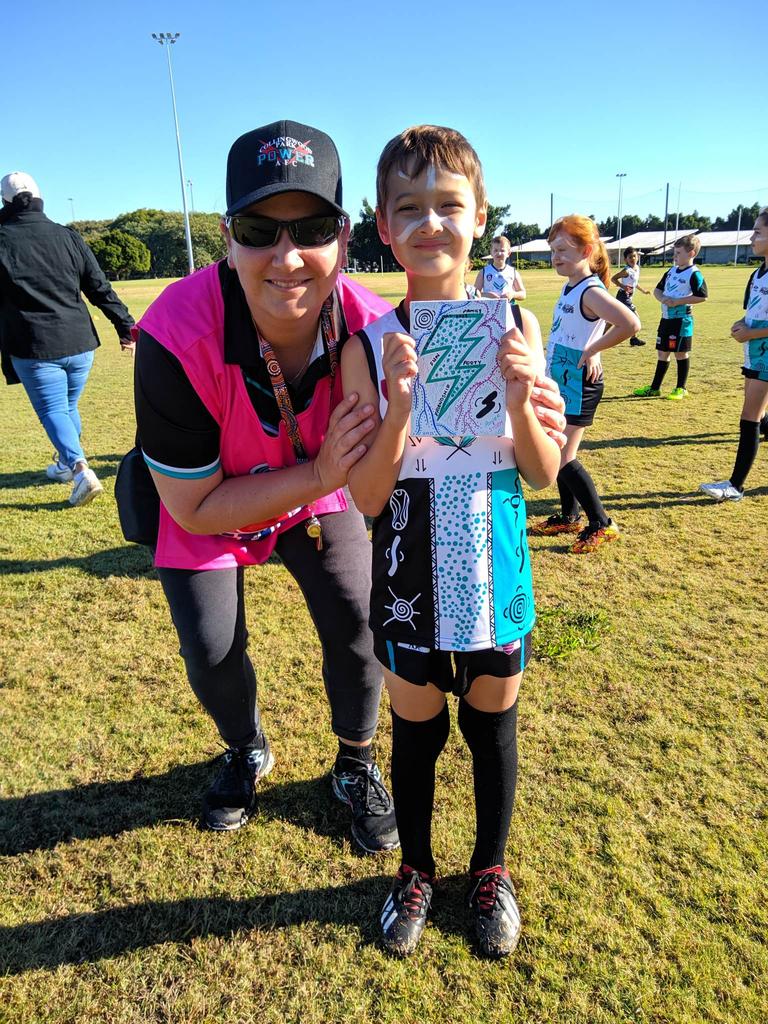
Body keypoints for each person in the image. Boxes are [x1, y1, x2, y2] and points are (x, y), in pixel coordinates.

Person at [133, 119, 570, 846]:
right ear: (226, 235)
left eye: (308, 228)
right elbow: (193, 505)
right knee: (210, 648)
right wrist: (318, 471)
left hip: (325, 483)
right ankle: (245, 747)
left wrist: (535, 403)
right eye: (257, 228)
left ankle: (355, 758)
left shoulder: (381, 327)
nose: (287, 256)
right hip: (219, 497)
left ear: (343, 235)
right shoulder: (174, 334)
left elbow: (514, 458)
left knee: (357, 619)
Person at [341, 125, 561, 959]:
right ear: (384, 226)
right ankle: (418, 872)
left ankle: (491, 871)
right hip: (407, 577)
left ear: (478, 216)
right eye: (410, 209)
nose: (430, 223)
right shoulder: (366, 343)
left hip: (496, 568)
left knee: (492, 730)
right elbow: (365, 494)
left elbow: (540, 472)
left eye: (449, 205)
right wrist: (399, 404)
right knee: (419, 732)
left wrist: (518, 386)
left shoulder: (518, 322)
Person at [0, 171, 135, 506]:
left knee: (54, 410)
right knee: (67, 406)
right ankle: (64, 463)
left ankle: (79, 470)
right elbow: (98, 287)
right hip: (79, 344)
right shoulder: (68, 236)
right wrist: (125, 327)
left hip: (34, 345)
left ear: (4, 202)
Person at [530, 215, 640, 552]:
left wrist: (593, 349)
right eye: (552, 251)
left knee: (563, 456)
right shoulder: (572, 285)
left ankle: (601, 523)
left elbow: (630, 323)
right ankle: (568, 516)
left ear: (586, 250)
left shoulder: (590, 290)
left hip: (579, 384)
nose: (556, 257)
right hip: (563, 379)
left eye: (563, 249)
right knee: (557, 447)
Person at [700, 209, 768, 501]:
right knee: (758, 417)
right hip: (754, 352)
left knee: (750, 418)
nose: (752, 237)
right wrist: (743, 324)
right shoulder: (757, 273)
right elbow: (755, 311)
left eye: (758, 232)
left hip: (764, 353)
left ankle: (735, 486)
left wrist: (752, 333)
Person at [632, 234, 708, 400]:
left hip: (682, 321)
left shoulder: (694, 274)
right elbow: (658, 290)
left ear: (692, 253)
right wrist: (662, 298)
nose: (675, 256)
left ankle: (681, 388)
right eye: (674, 253)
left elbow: (702, 296)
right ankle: (654, 388)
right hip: (665, 319)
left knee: (680, 353)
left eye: (678, 253)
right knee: (662, 352)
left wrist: (678, 301)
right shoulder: (671, 271)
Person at [610, 246, 649, 346]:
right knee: (635, 317)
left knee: (613, 318)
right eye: (630, 257)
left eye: (634, 256)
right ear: (625, 259)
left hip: (627, 296)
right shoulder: (626, 271)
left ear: (638, 257)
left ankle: (600, 335)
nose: (633, 259)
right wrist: (623, 286)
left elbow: (635, 283)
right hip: (623, 296)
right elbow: (613, 279)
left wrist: (643, 291)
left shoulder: (636, 269)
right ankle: (633, 339)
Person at [475, 235, 526, 304]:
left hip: (509, 310)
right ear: (491, 253)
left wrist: (512, 294)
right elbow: (474, 293)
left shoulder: (513, 272)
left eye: (502, 250)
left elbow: (523, 294)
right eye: (495, 250)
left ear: (508, 253)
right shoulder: (484, 272)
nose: (499, 253)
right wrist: (487, 295)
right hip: (490, 311)